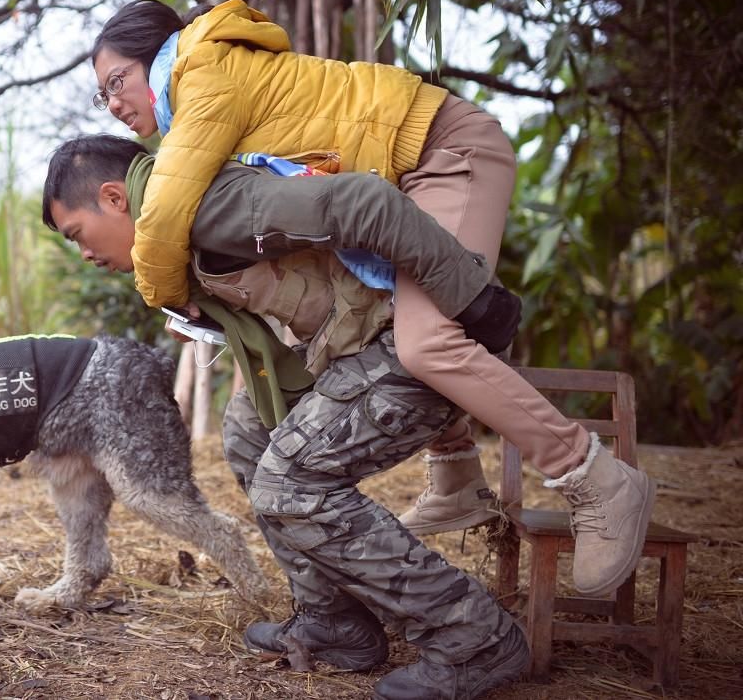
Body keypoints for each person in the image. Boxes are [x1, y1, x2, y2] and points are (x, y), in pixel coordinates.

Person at [86, 0, 655, 597]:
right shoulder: (197, 90)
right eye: (103, 96)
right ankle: (456, 476)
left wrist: (165, 293)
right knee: (388, 321)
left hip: (446, 152)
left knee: (427, 342)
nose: (114, 103)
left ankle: (594, 477)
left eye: (116, 81)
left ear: (156, 55)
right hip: (410, 172)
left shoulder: (203, 73)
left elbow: (167, 209)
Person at [41, 135, 530, 699]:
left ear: (114, 198)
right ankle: (335, 623)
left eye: (78, 234)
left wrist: (474, 299)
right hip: (356, 344)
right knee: (248, 432)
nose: (83, 254)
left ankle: (474, 636)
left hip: (417, 338)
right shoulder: (171, 237)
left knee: (289, 480)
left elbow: (361, 200)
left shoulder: (209, 206)